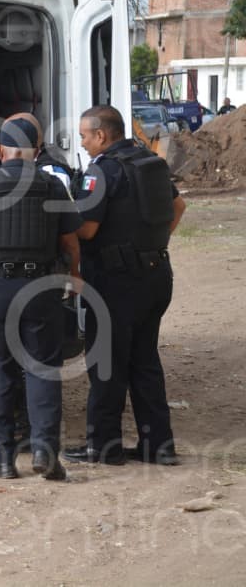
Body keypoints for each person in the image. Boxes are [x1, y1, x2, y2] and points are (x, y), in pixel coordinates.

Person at [0, 116, 82, 480]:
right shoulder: (53, 186)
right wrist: (74, 278)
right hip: (41, 289)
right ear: (36, 152)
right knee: (42, 369)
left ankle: (4, 459)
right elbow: (70, 242)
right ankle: (44, 452)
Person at [62, 104, 187, 467]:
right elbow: (179, 208)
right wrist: (153, 245)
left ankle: (103, 447)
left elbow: (87, 229)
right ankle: (158, 446)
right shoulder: (150, 162)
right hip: (156, 275)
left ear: (101, 135)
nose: (83, 143)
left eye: (85, 136)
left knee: (107, 364)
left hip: (115, 282)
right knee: (145, 361)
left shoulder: (102, 172)